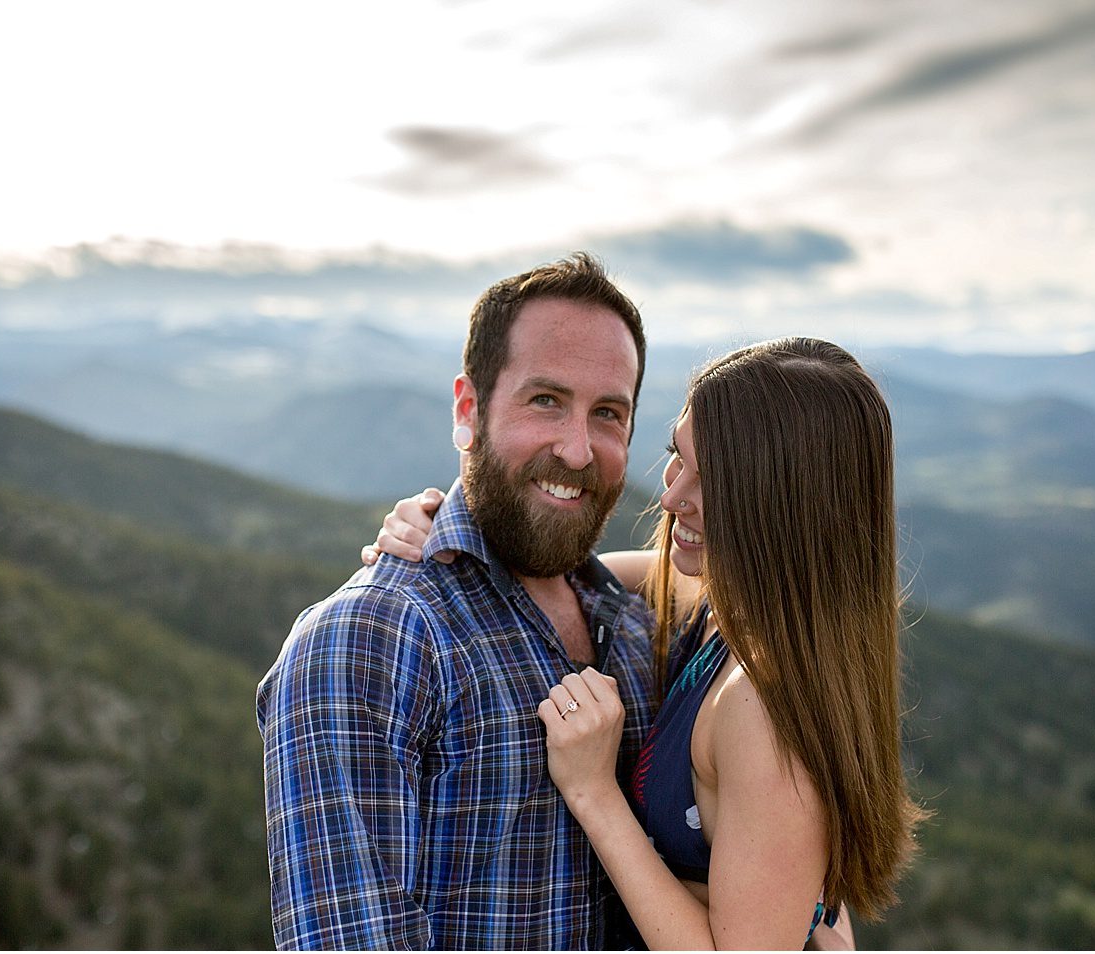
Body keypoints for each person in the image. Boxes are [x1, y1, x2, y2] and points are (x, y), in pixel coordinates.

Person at [370, 337, 926, 949]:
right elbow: (579, 577)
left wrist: (594, 791)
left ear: (787, 507)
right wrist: (445, 528)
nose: (671, 497)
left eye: (713, 481)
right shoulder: (732, 610)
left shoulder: (760, 708)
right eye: (677, 457)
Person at [257, 253, 662, 950]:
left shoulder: (636, 625)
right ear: (469, 409)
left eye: (607, 413)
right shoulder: (369, 643)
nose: (577, 450)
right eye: (546, 400)